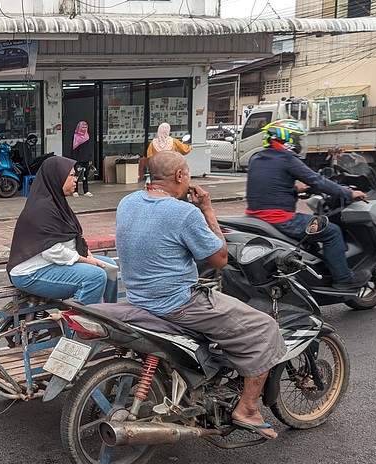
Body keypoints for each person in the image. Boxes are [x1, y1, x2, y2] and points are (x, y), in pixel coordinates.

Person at [116, 150, 286, 439]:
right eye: (188, 175)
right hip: (178, 304)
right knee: (265, 328)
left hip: (138, 299)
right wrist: (207, 209)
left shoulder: (127, 202)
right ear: (180, 176)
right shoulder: (185, 213)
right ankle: (246, 408)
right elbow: (219, 259)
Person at [246, 119, 369, 290]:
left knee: (314, 227)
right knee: (332, 232)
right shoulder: (287, 158)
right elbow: (317, 181)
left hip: (255, 215)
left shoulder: (256, 157)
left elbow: (268, 185)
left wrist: (295, 188)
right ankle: (343, 279)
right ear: (286, 139)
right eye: (297, 139)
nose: (299, 144)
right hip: (280, 218)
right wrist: (348, 193)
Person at [7, 156, 117, 305]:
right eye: (71, 175)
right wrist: (86, 261)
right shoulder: (42, 209)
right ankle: (79, 327)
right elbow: (52, 250)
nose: (75, 180)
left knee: (109, 266)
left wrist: (89, 256)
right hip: (30, 273)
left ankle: (109, 316)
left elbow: (74, 238)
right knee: (95, 276)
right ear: (56, 178)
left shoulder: (57, 203)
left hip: (51, 263)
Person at [72, 121, 93, 197]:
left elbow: (88, 149)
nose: (84, 129)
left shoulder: (87, 136)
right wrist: (75, 160)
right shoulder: (76, 137)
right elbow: (74, 149)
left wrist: (90, 158)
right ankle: (75, 191)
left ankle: (86, 190)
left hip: (86, 158)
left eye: (85, 127)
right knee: (76, 176)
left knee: (85, 176)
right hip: (78, 159)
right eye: (83, 127)